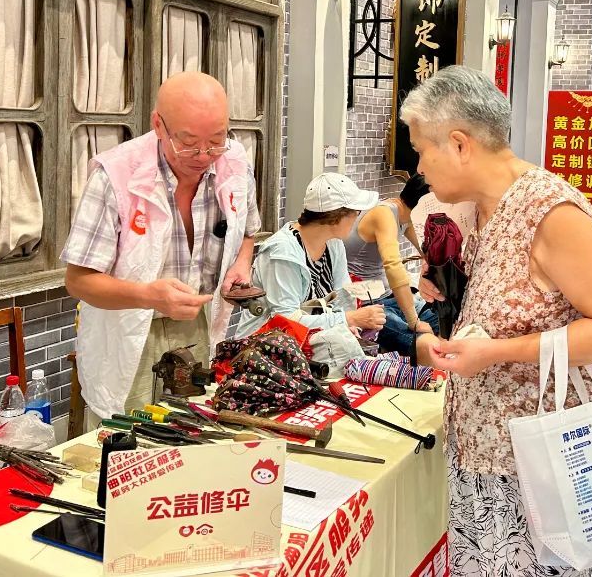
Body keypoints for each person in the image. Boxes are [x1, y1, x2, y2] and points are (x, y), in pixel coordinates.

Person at [403, 66, 592, 577]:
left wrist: (495, 353)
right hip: (482, 455)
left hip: (542, 469)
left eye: (420, 151)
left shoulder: (550, 212)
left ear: (459, 145)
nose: (418, 168)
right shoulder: (478, 210)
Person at [63, 72, 260, 426]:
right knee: (129, 437)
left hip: (198, 323)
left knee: (196, 429)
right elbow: (78, 280)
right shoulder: (115, 176)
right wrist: (147, 296)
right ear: (158, 124)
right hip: (131, 329)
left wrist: (241, 264)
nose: (204, 155)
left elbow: (248, 232)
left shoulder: (234, 163)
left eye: (216, 140)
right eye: (188, 142)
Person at [232, 173, 388, 337]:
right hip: (268, 345)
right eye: (356, 212)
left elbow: (343, 295)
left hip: (314, 341)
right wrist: (348, 319)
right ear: (336, 217)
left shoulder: (334, 243)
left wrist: (349, 325)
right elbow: (286, 320)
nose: (358, 218)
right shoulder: (282, 252)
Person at [343, 173, 439, 355]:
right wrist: (413, 321)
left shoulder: (406, 217)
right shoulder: (384, 214)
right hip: (367, 304)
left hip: (389, 297)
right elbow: (394, 267)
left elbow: (429, 251)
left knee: (444, 322)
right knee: (422, 344)